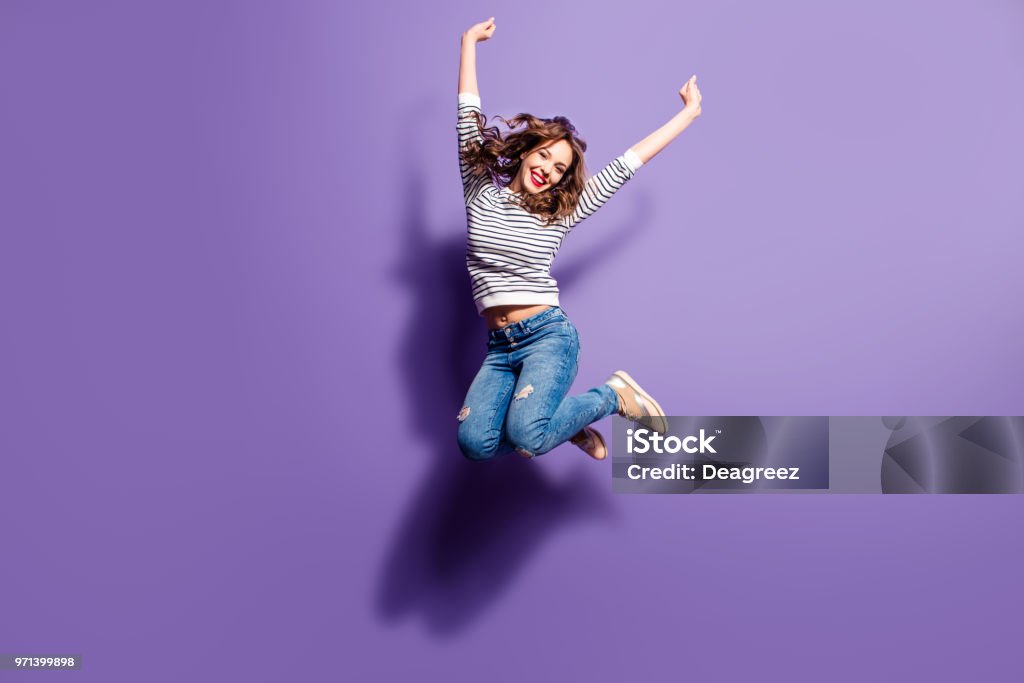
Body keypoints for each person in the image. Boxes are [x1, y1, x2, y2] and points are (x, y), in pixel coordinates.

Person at [455, 17, 702, 462]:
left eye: (559, 168)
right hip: (499, 348)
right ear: (528, 149)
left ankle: (612, 395)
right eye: (544, 154)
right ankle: (560, 421)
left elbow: (625, 165)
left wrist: (686, 114)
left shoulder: (558, 214)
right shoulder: (480, 192)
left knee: (527, 439)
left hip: (547, 336)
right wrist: (469, 42)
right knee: (475, 444)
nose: (547, 169)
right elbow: (466, 123)